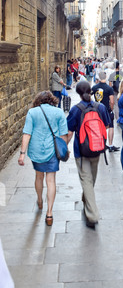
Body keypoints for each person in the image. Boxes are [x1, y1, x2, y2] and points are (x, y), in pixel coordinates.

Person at [18, 91, 68, 226]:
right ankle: (50, 213)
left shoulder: (32, 112)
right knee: (51, 180)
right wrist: (63, 149)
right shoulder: (58, 113)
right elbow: (64, 135)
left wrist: (22, 153)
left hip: (36, 151)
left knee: (38, 177)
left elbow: (27, 133)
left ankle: (39, 200)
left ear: (38, 101)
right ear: (52, 100)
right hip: (52, 151)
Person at [67, 80, 110, 228]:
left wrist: (64, 147)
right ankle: (87, 201)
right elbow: (106, 125)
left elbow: (69, 132)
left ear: (78, 93)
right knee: (91, 179)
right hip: (97, 149)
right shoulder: (101, 107)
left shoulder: (76, 110)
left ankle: (92, 215)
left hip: (82, 150)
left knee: (86, 180)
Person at [91, 71, 119, 153]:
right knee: (110, 126)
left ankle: (100, 145)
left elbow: (88, 95)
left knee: (99, 127)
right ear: (106, 77)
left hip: (97, 109)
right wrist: (111, 109)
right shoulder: (109, 88)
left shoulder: (95, 87)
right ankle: (110, 145)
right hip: (107, 109)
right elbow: (112, 101)